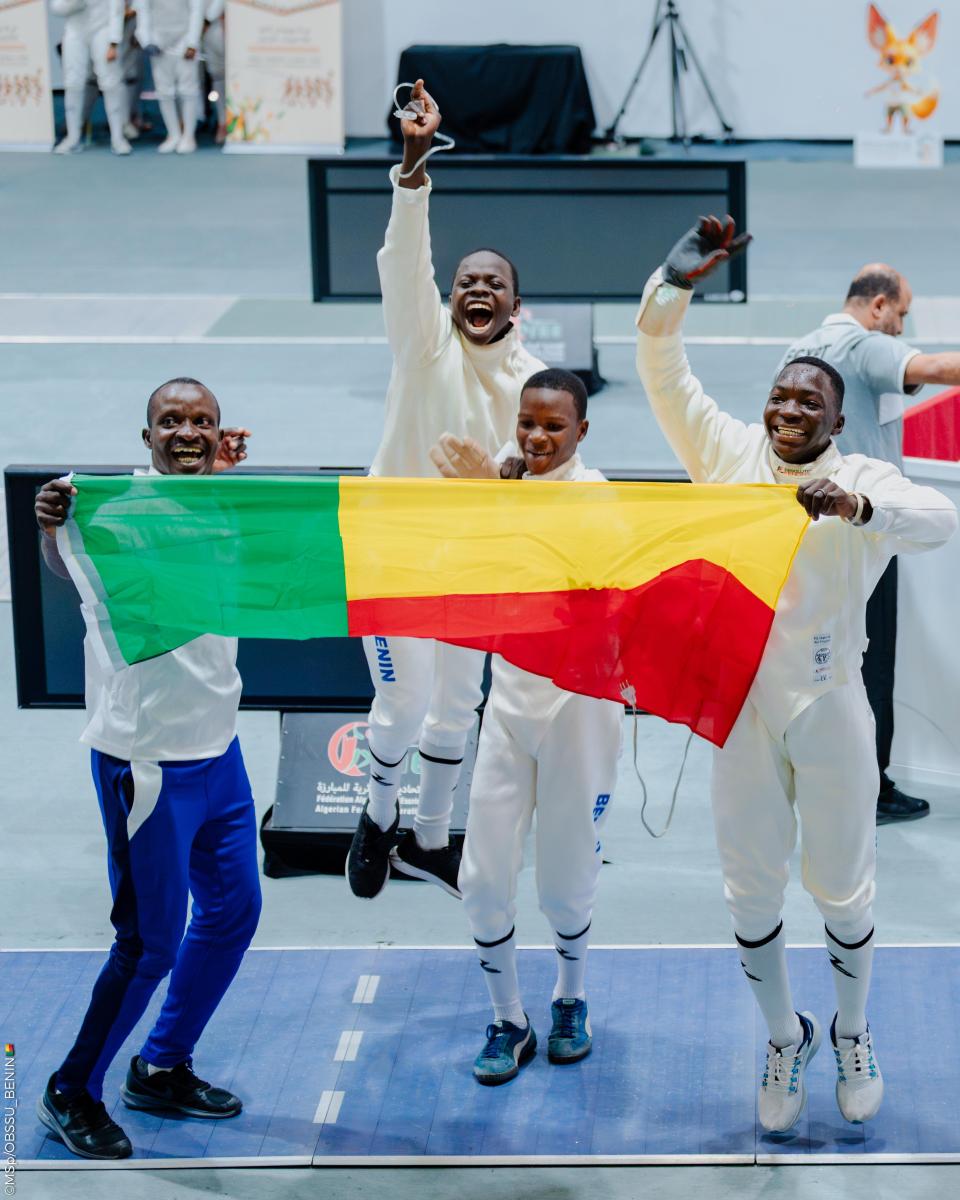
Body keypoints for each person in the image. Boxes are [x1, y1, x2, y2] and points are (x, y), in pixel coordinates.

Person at [636, 219, 957, 1134]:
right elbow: (661, 370)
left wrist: (857, 506)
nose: (789, 409)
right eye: (780, 394)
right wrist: (672, 284)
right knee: (748, 888)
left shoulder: (862, 477)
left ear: (837, 419)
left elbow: (938, 520)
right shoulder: (726, 455)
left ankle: (852, 1030)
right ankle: (786, 1038)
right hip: (740, 709)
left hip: (830, 704)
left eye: (808, 401)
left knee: (843, 887)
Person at [34, 380, 256, 1160]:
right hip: (148, 763)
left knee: (233, 914)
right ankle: (71, 1090)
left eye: (201, 421)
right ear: (147, 436)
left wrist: (217, 480)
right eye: (172, 421)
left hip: (220, 751)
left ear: (220, 434)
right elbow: (71, 569)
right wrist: (52, 528)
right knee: (148, 943)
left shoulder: (229, 504)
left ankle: (161, 1065)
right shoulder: (117, 512)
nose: (186, 431)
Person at [345, 79, 545, 901]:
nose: (476, 290)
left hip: (473, 562)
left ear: (516, 306)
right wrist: (414, 166)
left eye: (493, 283)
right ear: (450, 298)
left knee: (460, 702)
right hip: (393, 552)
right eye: (466, 281)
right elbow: (405, 262)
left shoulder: (535, 385)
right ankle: (377, 817)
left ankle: (430, 839)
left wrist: (503, 477)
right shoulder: (423, 346)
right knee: (402, 700)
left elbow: (542, 473)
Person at [430, 369, 623, 1085]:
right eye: (527, 423)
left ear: (582, 431)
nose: (537, 437)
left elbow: (573, 567)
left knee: (567, 879)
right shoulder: (507, 484)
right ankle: (508, 1018)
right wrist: (484, 503)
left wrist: (498, 497)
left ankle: (570, 1000)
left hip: (581, 711)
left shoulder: (596, 496)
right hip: (509, 705)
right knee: (482, 877)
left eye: (554, 426)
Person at [782, 266, 960, 825]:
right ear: (878, 305)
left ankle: (817, 776)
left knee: (816, 659)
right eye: (901, 315)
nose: (901, 327)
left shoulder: (802, 348)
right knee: (871, 660)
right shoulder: (864, 345)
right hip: (863, 528)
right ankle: (874, 787)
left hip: (803, 530)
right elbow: (937, 369)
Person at [52, 0, 132, 156]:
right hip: (75, 31)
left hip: (103, 29)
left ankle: (118, 138)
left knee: (110, 83)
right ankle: (73, 138)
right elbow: (57, 7)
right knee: (73, 83)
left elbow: (116, 8)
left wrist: (114, 41)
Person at [136, 0, 205, 153]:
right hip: (158, 41)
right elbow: (143, 10)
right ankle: (173, 135)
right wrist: (146, 40)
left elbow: (196, 10)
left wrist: (192, 42)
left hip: (184, 39)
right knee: (164, 91)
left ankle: (188, 136)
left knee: (188, 90)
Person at [202, 0, 227, 145]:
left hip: (221, 26)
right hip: (204, 30)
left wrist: (206, 20)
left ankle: (231, 122)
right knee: (217, 75)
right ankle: (222, 122)